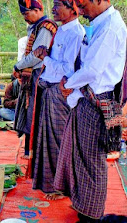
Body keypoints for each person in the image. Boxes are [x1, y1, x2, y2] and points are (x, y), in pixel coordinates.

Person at [53, 0, 127, 220]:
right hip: (85, 96)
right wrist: (72, 85)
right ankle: (83, 206)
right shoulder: (100, 22)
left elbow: (92, 70)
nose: (80, 11)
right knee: (80, 157)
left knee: (91, 162)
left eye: (83, 5)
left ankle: (92, 216)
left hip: (95, 100)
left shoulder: (111, 27)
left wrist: (68, 84)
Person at [29, 0, 84, 200]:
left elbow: (67, 71)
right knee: (49, 140)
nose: (53, 8)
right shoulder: (62, 30)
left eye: (58, 4)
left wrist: (45, 58)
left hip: (60, 93)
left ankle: (63, 187)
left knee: (60, 140)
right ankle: (53, 183)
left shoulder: (76, 33)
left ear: (72, 9)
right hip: (50, 90)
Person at [13, 0, 57, 157]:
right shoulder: (35, 27)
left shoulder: (45, 27)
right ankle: (30, 151)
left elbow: (37, 56)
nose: (25, 17)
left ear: (37, 10)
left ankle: (36, 152)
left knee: (35, 114)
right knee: (30, 112)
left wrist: (18, 66)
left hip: (41, 75)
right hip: (34, 75)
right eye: (23, 14)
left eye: (27, 13)